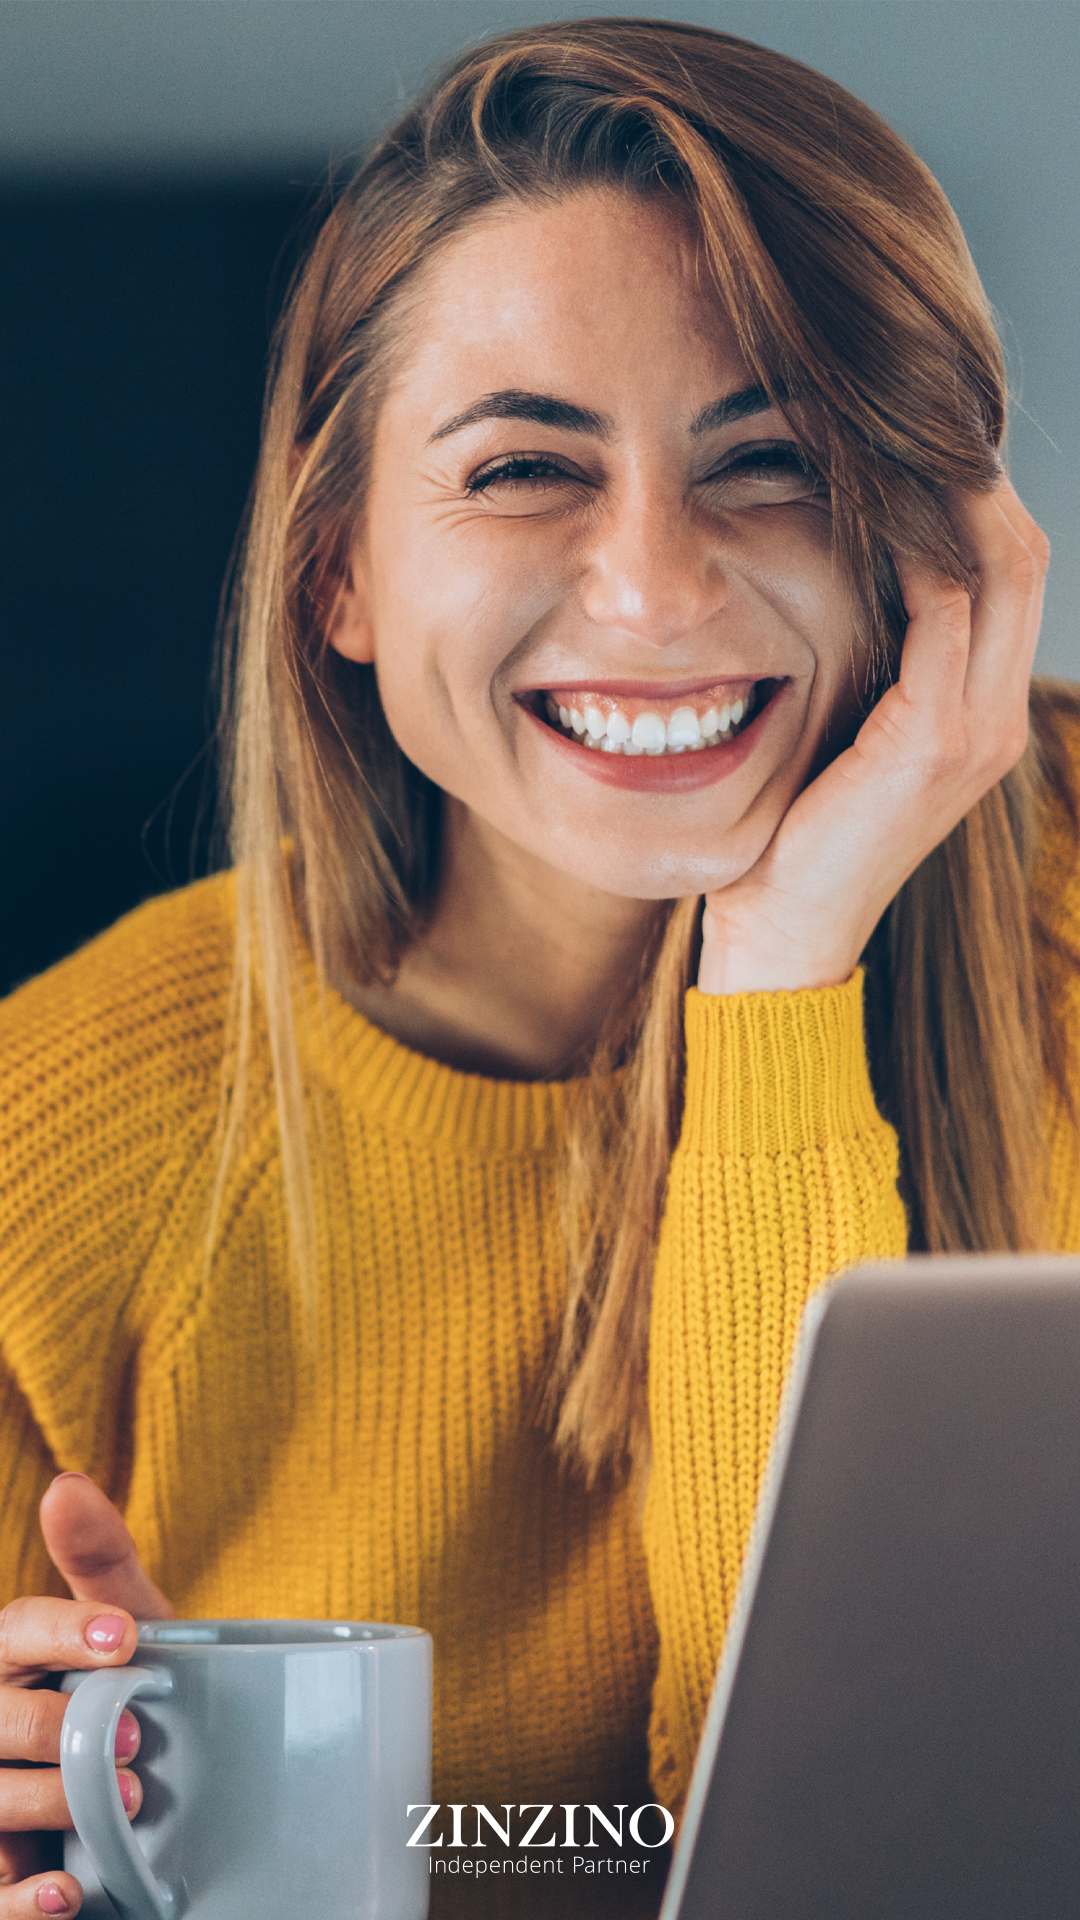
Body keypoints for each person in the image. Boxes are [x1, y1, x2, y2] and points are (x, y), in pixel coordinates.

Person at [1, 16, 1077, 1918]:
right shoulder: (70, 1124)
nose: (656, 590)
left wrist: (780, 973)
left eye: (779, 459)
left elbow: (853, 1857)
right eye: (522, 472)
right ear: (337, 564)